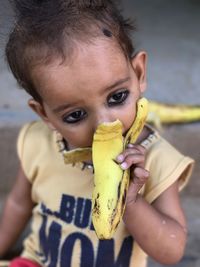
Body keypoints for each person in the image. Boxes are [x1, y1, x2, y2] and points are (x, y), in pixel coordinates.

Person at [0, 0, 194, 266]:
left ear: (138, 73)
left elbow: (172, 251)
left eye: (117, 97)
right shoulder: (39, 142)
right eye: (75, 115)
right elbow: (19, 204)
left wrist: (131, 201)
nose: (104, 124)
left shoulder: (156, 160)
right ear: (44, 114)